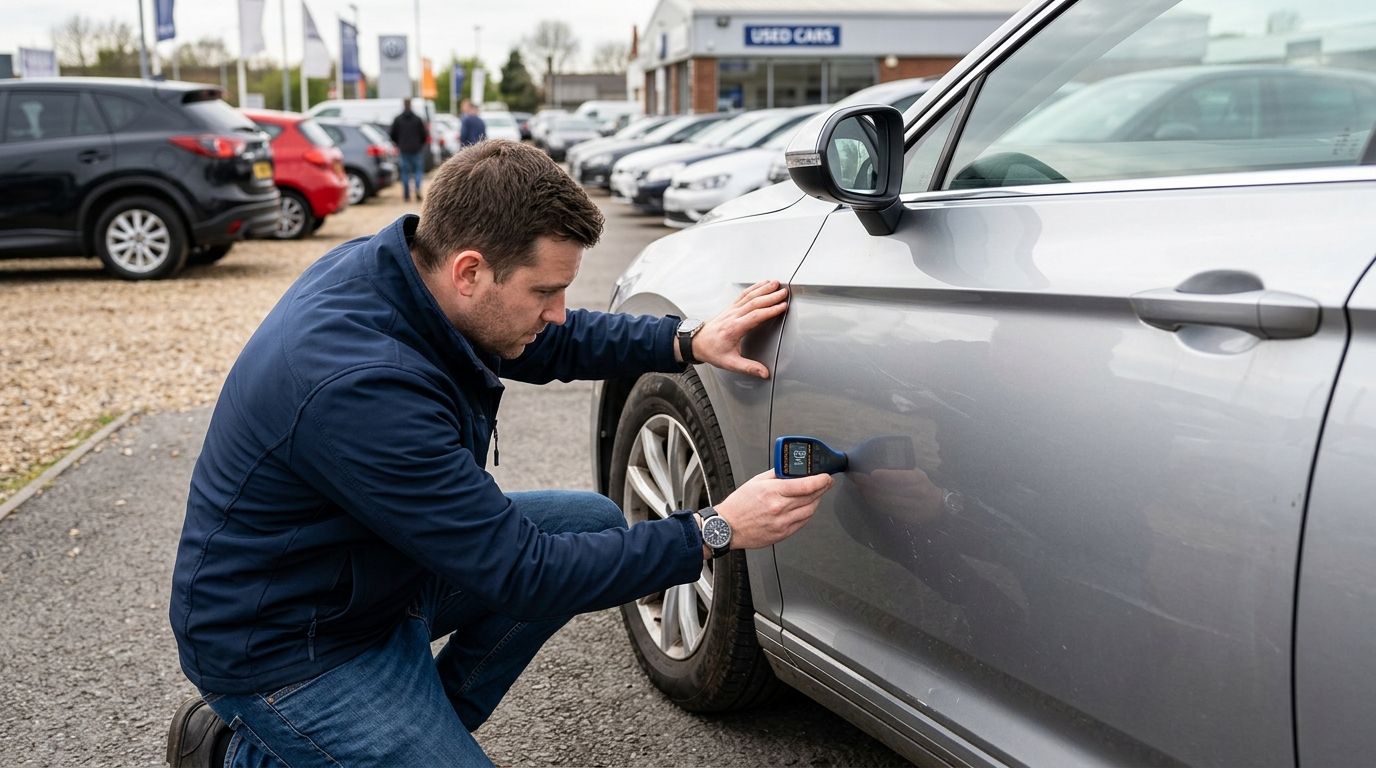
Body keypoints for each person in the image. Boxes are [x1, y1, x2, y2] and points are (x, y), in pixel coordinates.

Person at [164, 139, 833, 767]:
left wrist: (687, 340)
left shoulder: (410, 277)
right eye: (545, 291)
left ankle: (406, 729)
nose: (559, 311)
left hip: (373, 568)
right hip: (291, 642)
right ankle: (236, 750)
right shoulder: (361, 389)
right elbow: (524, 574)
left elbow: (546, 342)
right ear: (470, 271)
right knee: (543, 562)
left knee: (589, 521)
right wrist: (717, 529)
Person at [389, 98, 430, 202]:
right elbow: (424, 135)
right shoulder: (417, 119)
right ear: (411, 105)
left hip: (403, 150)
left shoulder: (398, 119)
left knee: (405, 173)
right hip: (416, 149)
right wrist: (420, 144)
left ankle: (406, 194)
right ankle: (417, 190)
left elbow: (392, 134)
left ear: (403, 105)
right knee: (418, 172)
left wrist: (399, 143)